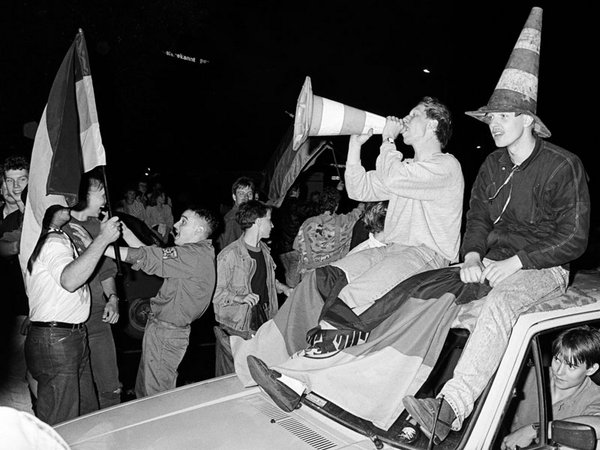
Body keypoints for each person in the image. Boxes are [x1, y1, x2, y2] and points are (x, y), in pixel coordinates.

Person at [403, 8, 590, 443]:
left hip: (543, 268)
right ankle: (375, 380)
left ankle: (448, 410)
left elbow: (574, 238)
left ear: (528, 121)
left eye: (504, 116)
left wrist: (517, 263)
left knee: (499, 306)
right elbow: (478, 218)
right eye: (491, 117)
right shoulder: (490, 164)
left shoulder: (563, 166)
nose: (494, 124)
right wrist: (471, 254)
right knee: (422, 292)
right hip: (489, 260)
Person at [331, 96, 464, 313]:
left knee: (353, 296)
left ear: (433, 124)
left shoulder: (447, 166)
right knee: (331, 278)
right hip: (392, 250)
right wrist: (354, 147)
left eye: (414, 115)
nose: (405, 119)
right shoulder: (406, 168)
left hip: (425, 254)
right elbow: (359, 189)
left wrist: (389, 140)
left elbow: (394, 177)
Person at [104, 207, 218, 398]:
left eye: (183, 221)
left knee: (156, 398)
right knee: (145, 390)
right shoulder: (196, 254)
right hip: (162, 330)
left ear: (199, 229)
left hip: (167, 334)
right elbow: (154, 254)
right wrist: (127, 231)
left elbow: (148, 257)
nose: (175, 225)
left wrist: (99, 248)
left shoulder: (193, 256)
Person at [25, 204, 121, 425]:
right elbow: (70, 281)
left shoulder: (60, 236)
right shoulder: (52, 241)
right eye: (61, 199)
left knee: (84, 415)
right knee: (63, 420)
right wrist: (102, 240)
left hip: (70, 336)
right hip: (57, 340)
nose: (69, 202)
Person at [63, 175, 122, 409]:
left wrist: (113, 299)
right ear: (84, 196)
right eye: (101, 194)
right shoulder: (61, 228)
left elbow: (108, 270)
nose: (106, 199)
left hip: (98, 318)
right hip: (71, 321)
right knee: (82, 392)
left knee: (111, 386)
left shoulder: (100, 228)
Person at [213, 200, 292, 376]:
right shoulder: (229, 255)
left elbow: (267, 281)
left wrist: (285, 288)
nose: (272, 224)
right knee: (231, 377)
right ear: (257, 222)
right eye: (269, 219)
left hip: (262, 319)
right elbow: (216, 293)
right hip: (237, 326)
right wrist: (239, 298)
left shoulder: (264, 250)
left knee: (255, 374)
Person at [502, 326, 600, 450]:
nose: (559, 371)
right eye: (557, 360)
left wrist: (535, 430)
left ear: (591, 369)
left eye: (571, 366)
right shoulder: (529, 375)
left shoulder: (594, 396)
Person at [0, 156, 33, 414]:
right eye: (9, 181)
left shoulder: (35, 216)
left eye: (22, 179)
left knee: (16, 378)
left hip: (25, 308)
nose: (15, 186)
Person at [293, 187, 364, 280]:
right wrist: (360, 208)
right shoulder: (343, 223)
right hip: (330, 275)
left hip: (308, 276)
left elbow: (296, 247)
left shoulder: (307, 224)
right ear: (336, 206)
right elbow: (354, 217)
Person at [217, 176, 255, 252]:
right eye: (241, 194)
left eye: (249, 194)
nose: (246, 197)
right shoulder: (233, 220)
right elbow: (231, 251)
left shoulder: (247, 216)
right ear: (234, 197)